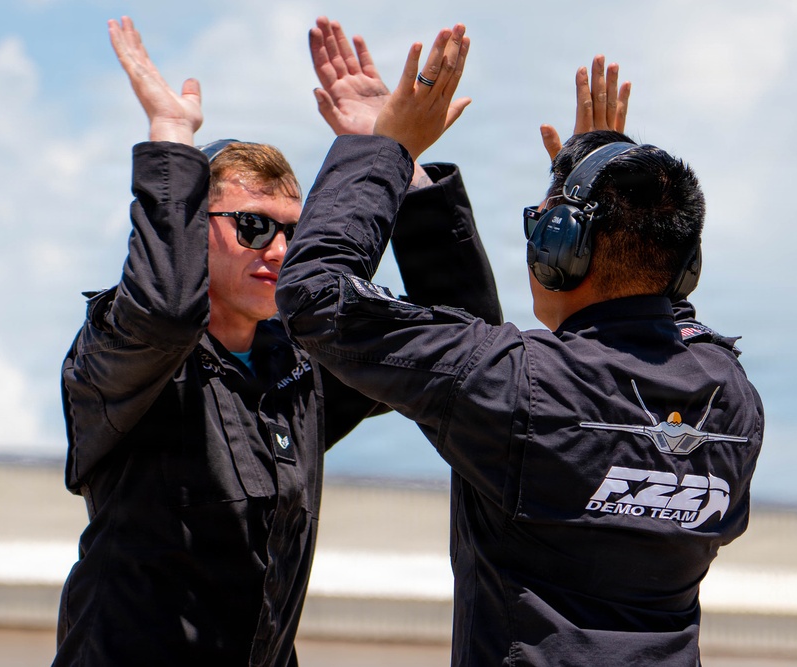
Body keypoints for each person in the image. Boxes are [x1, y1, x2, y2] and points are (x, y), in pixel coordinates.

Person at [276, 23, 765, 667]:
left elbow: (314, 296)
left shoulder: (518, 386)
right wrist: (601, 171)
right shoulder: (733, 400)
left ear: (561, 251)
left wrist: (384, 150)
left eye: (543, 227)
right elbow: (652, 332)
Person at [52, 16, 501, 667]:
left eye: (294, 230)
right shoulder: (121, 357)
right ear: (194, 229)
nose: (281, 251)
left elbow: (462, 344)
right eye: (254, 226)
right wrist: (173, 140)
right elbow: (164, 311)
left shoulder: (299, 367)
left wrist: (390, 159)